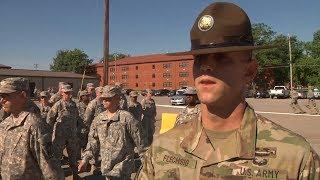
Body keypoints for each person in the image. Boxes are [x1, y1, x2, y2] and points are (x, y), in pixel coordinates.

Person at [138, 2, 320, 179]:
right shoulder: (163, 148)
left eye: (221, 57)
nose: (206, 67)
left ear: (249, 71)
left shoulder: (294, 158)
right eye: (199, 58)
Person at [0, 77, 64, 179]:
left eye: (5, 96)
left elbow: (52, 171)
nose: (1, 100)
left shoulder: (35, 125)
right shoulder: (5, 124)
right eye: (0, 96)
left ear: (22, 95)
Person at [78, 85, 146, 179]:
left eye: (108, 98)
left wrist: (147, 165)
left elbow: (141, 143)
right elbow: (92, 142)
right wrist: (85, 159)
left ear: (117, 99)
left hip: (123, 168)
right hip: (106, 167)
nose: (104, 101)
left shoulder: (127, 118)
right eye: (103, 98)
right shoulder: (99, 119)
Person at [46, 84, 81, 178]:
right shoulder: (58, 105)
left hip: (72, 136)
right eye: (66, 93)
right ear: (62, 93)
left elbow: (77, 118)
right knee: (57, 158)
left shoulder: (74, 104)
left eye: (70, 93)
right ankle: (57, 176)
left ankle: (75, 176)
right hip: (59, 136)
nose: (68, 95)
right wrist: (49, 135)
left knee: (73, 157)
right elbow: (49, 120)